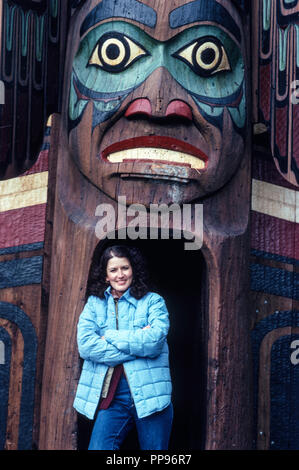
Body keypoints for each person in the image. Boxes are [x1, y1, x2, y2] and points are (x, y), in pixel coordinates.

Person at [73, 245, 173, 450]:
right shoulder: (94, 304)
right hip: (113, 396)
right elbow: (86, 347)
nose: (120, 275)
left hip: (152, 395)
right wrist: (138, 346)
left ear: (133, 269)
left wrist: (108, 336)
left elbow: (154, 343)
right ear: (105, 276)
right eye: (113, 270)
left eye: (125, 268)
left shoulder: (153, 301)